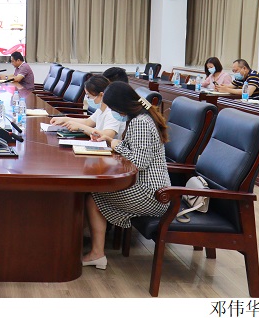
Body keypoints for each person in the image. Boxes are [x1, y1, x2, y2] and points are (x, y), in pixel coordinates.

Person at [84, 81, 171, 270]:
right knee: (92, 193)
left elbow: (139, 162)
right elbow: (134, 149)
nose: (113, 112)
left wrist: (116, 144)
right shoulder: (140, 117)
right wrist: (109, 140)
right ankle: (93, 250)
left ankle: (96, 253)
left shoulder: (141, 123)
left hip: (151, 194)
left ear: (121, 105)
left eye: (114, 108)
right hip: (145, 187)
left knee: (93, 195)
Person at [49, 75, 125, 139]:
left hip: (109, 150)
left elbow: (107, 135)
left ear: (101, 95)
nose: (88, 99)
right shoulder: (102, 108)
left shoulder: (114, 112)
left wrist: (80, 127)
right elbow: (87, 122)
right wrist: (65, 119)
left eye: (89, 96)